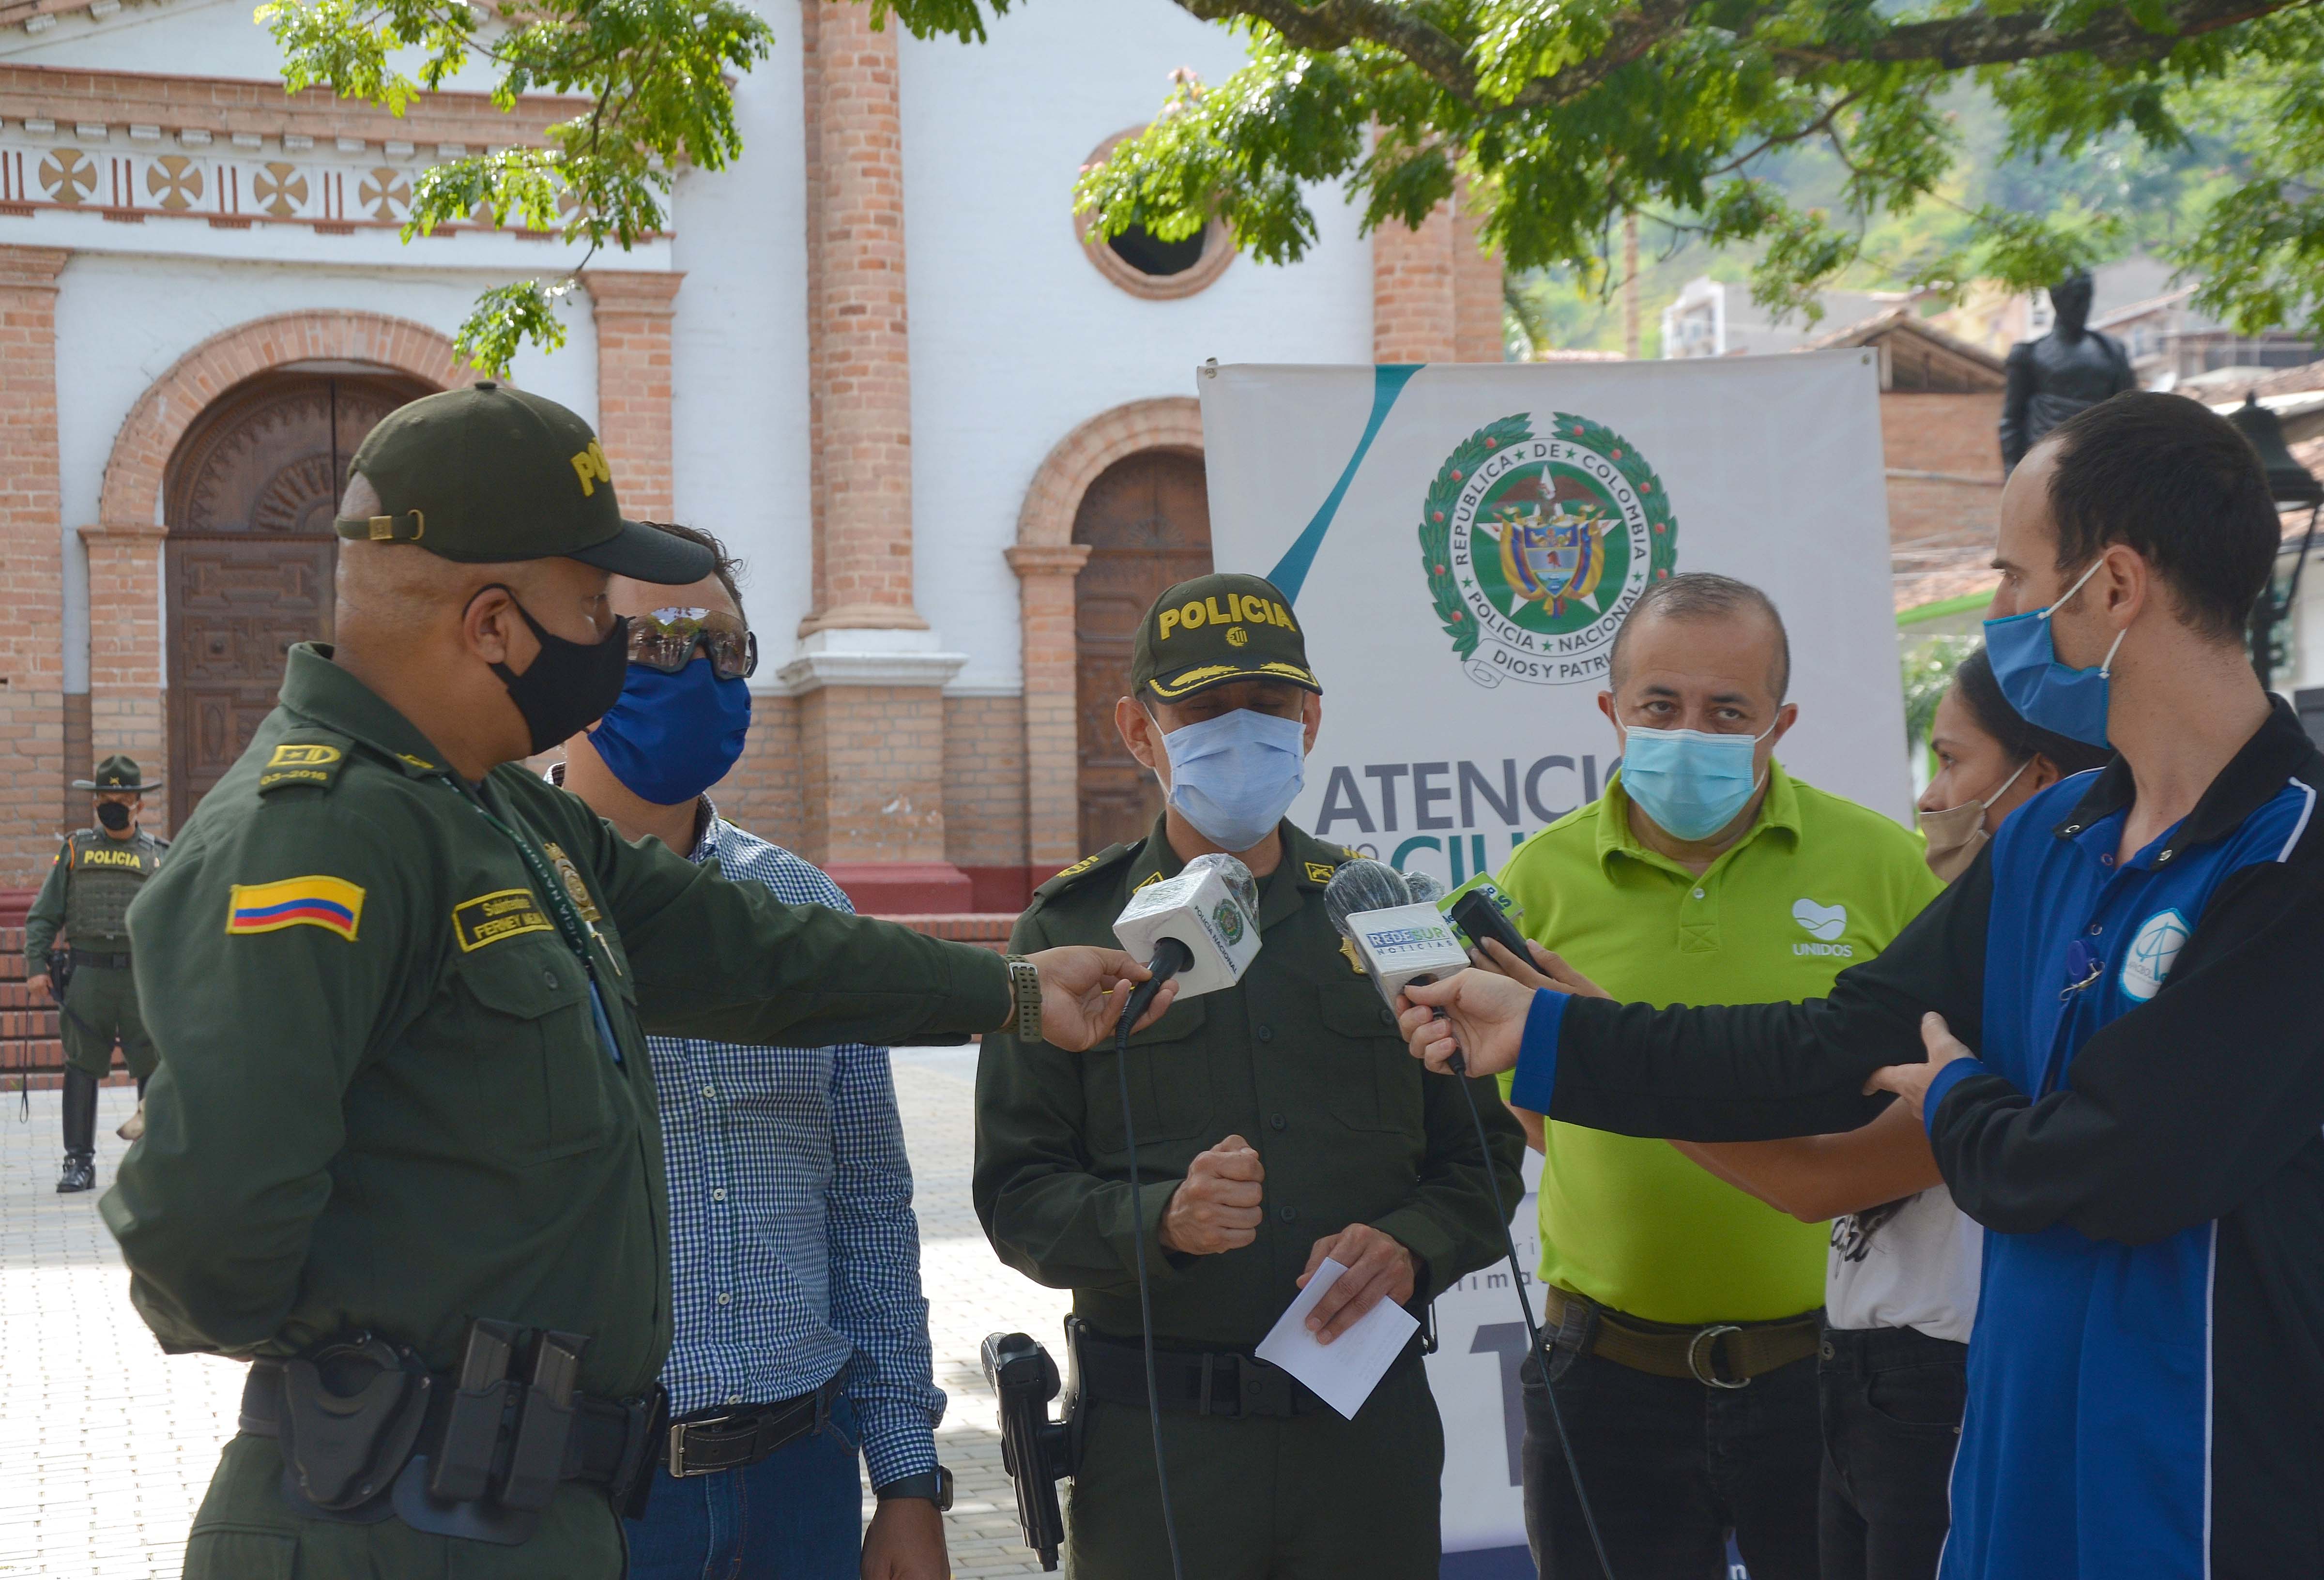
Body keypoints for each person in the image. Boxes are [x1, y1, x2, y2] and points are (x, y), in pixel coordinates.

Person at [98, 382, 1173, 1580]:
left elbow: (751, 950)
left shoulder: (496, 814)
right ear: (494, 625)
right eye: (595, 604)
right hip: (392, 1517)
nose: (612, 638)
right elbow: (205, 1263)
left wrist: (1013, 995)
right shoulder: (317, 837)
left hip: (533, 1509)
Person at [1401, 391, 2322, 1580]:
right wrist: (1548, 1028)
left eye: (2009, 572)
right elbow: (1823, 1046)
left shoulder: (2288, 861)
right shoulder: (2051, 838)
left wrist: (1954, 1104)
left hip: (2195, 1478)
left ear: (2111, 587)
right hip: (2014, 1459)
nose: (1995, 611)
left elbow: (2108, 1166)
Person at [975, 573, 1526, 1580]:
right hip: (1160, 1453)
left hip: (1365, 1447)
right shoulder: (1067, 933)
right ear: (1140, 732)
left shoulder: (1391, 915)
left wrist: (1411, 1248)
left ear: (1311, 720)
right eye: (1203, 708)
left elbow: (1482, 1158)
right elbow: (1018, 1199)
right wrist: (1162, 1224)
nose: (1243, 729)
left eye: (1269, 705)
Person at [1481, 572, 1944, 1580]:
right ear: (1612, 712)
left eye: (1727, 710)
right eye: (1661, 705)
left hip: (1828, 1379)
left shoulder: (1884, 868)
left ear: (1779, 723)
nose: (1691, 732)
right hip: (1605, 1383)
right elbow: (1532, 1116)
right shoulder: (1533, 886)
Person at [1620, 646, 2107, 1580]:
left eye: (1952, 761)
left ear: (2038, 781)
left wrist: (1597, 1059)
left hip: (1937, 1382)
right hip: (1858, 1368)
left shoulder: (2021, 978)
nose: (1926, 797)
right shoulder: (1973, 939)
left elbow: (1819, 1177)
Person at [553, 522, 951, 1580]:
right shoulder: (496, 901)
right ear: (577, 655)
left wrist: (907, 1479)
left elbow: (868, 1208)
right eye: (662, 645)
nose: (702, 674)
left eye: (727, 650)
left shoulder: (800, 905)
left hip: (798, 1487)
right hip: (580, 1498)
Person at [25, 753, 168, 1190]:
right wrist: (35, 965)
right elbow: (43, 916)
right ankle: (78, 1163)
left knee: (152, 1067)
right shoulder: (73, 852)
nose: (112, 803)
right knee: (81, 1066)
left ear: (138, 804)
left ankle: (154, 1161)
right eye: (105, 796)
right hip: (88, 976)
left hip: (141, 979)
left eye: (121, 796)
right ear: (95, 801)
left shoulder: (160, 856)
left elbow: (180, 917)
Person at [1998, 272, 2135, 473]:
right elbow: (2012, 419)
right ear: (2057, 300)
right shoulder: (2030, 355)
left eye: (2088, 297)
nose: (2084, 305)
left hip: (2101, 460)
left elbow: (2131, 413)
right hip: (2046, 462)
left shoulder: (2112, 351)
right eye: (2077, 298)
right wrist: (2012, 472)